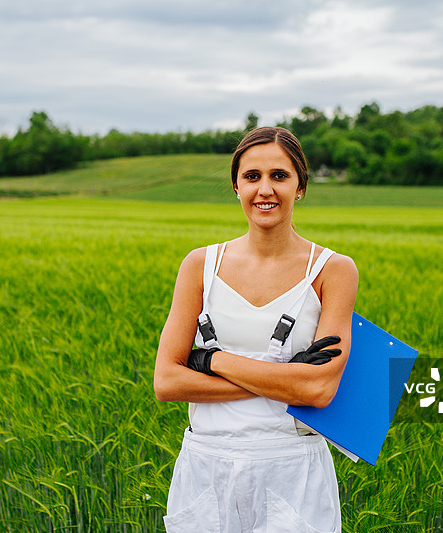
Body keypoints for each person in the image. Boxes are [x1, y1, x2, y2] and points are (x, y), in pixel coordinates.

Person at [153, 126, 358, 533]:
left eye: (279, 176)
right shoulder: (199, 266)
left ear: (300, 187)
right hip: (206, 465)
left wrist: (212, 361)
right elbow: (167, 382)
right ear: (237, 186)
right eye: (252, 176)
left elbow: (318, 390)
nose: (265, 189)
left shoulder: (334, 270)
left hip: (293, 468)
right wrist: (288, 378)